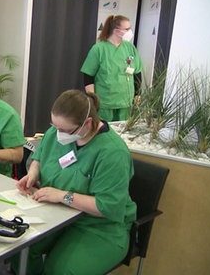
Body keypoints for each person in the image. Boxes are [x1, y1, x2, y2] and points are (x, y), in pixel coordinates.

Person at [16, 89, 136, 275]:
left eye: (63, 130)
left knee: (60, 270)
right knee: (20, 248)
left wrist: (63, 196)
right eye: (54, 126)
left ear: (87, 123)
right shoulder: (59, 132)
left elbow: (107, 206)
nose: (57, 134)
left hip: (98, 228)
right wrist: (32, 173)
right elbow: (40, 156)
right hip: (58, 215)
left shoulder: (112, 153)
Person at [81, 14, 143, 122]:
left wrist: (138, 94)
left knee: (124, 133)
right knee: (105, 132)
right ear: (116, 30)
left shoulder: (130, 48)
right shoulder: (99, 49)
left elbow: (137, 72)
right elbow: (88, 75)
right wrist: (93, 100)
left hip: (126, 101)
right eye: (127, 29)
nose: (130, 32)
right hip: (105, 102)